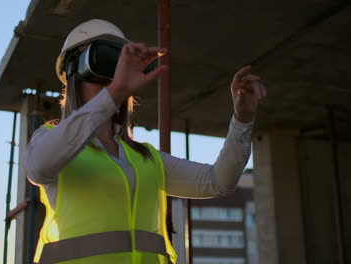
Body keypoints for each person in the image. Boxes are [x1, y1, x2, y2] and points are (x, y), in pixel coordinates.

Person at [24, 19, 266, 264]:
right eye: (102, 63)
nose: (112, 78)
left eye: (118, 67)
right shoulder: (51, 141)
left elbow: (218, 182)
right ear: (74, 71)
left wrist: (242, 120)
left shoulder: (146, 158)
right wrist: (114, 93)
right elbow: (38, 167)